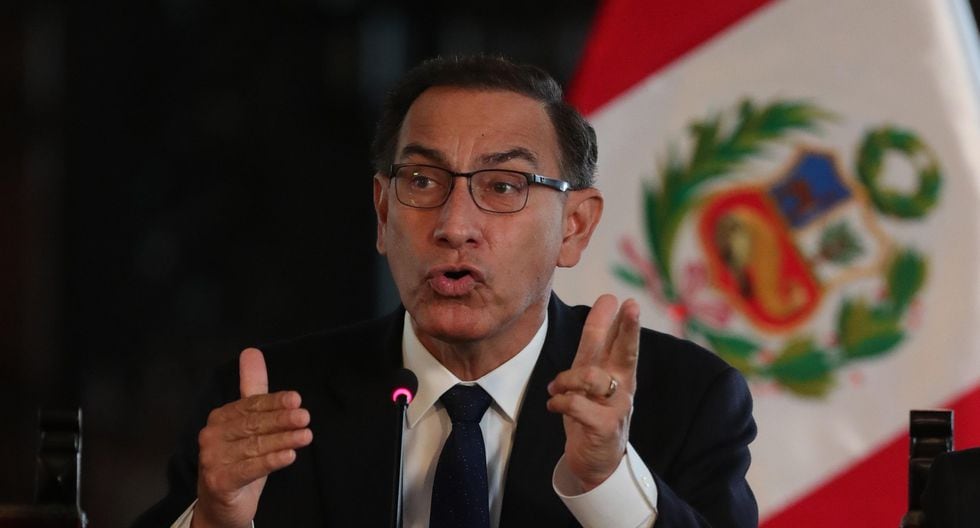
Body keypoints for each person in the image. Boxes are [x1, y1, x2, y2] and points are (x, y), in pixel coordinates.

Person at [133, 55, 757, 528]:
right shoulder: (267, 403)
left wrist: (606, 481)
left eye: (504, 186)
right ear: (383, 213)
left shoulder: (687, 400)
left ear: (574, 226)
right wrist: (216, 519)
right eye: (422, 181)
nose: (455, 225)